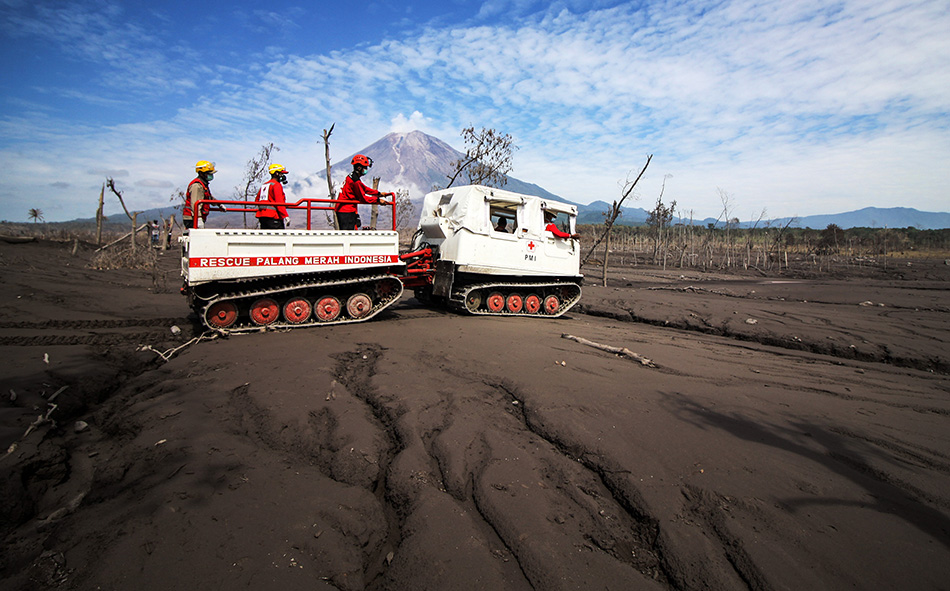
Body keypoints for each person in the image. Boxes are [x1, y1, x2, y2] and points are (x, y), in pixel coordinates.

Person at [335, 154, 394, 230]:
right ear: (359, 168)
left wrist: (379, 193)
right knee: (347, 235)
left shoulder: (352, 176)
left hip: (345, 209)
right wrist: (378, 200)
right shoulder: (355, 181)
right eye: (365, 167)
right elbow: (363, 198)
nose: (366, 169)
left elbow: (364, 188)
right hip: (346, 210)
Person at [183, 160, 216, 231]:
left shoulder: (203, 184)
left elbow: (209, 197)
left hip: (197, 217)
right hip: (192, 218)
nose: (211, 175)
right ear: (201, 173)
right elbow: (195, 203)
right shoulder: (197, 186)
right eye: (208, 173)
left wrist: (219, 204)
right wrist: (199, 218)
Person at [256, 163, 290, 230]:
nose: (282, 176)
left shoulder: (264, 185)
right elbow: (279, 202)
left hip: (262, 217)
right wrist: (285, 216)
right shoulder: (276, 185)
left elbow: (257, 200)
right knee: (278, 236)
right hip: (274, 217)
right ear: (276, 173)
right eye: (281, 173)